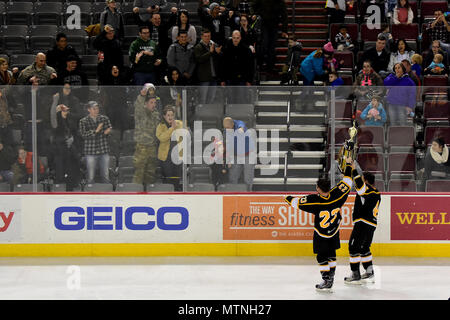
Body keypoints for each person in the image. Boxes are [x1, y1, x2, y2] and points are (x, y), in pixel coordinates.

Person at [284, 157, 354, 291]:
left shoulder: (314, 200)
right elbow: (347, 181)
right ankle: (331, 275)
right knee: (332, 254)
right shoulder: (337, 194)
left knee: (321, 256)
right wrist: (350, 164)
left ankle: (326, 280)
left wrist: (286, 198)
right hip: (334, 230)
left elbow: (295, 203)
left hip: (321, 234)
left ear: (318, 188)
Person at [344, 169, 381, 284]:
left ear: (365, 180)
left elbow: (360, 187)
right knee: (364, 248)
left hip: (363, 223)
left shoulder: (367, 190)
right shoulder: (376, 192)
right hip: (371, 224)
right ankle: (369, 271)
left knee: (353, 247)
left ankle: (355, 274)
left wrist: (353, 170)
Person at [50, 95, 81, 190]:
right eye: (64, 110)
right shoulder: (56, 123)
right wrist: (55, 101)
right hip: (60, 152)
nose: (66, 112)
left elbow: (72, 133)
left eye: (67, 110)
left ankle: (70, 189)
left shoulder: (68, 121)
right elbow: (52, 115)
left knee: (71, 172)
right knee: (60, 173)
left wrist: (71, 138)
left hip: (69, 152)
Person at [79, 101, 112, 184]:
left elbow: (109, 132)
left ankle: (106, 193)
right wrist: (96, 131)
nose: (96, 110)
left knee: (105, 175)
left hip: (103, 150)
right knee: (90, 176)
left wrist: (106, 133)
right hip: (90, 152)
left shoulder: (104, 119)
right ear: (88, 109)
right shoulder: (83, 121)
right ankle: (90, 193)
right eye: (94, 109)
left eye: (97, 108)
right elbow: (84, 135)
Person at [133, 87, 161, 185]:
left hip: (152, 146)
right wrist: (142, 96)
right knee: (139, 172)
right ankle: (136, 194)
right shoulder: (141, 113)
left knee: (151, 172)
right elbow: (138, 106)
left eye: (155, 103)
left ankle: (149, 194)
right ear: (145, 104)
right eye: (151, 102)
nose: (153, 105)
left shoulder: (156, 115)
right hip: (142, 146)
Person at [251, 0, 288, 71]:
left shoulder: (280, 1)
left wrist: (284, 30)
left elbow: (284, 15)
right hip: (264, 24)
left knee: (272, 46)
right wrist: (255, 13)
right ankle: (260, 64)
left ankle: (270, 66)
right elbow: (254, 5)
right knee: (264, 44)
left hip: (274, 24)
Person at [220, 30, 254, 103]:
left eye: (237, 38)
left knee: (241, 99)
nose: (235, 40)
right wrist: (222, 79)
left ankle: (240, 114)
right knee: (230, 99)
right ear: (231, 38)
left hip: (242, 79)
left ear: (240, 38)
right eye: (234, 38)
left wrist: (249, 80)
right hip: (229, 79)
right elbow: (222, 65)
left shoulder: (246, 50)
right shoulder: (226, 49)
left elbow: (250, 66)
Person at [223, 116, 256, 191]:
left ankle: (248, 193)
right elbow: (228, 144)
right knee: (232, 177)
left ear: (232, 124)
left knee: (248, 178)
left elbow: (242, 125)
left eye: (228, 127)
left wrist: (241, 129)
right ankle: (233, 194)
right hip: (236, 155)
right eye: (225, 128)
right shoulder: (226, 131)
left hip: (248, 154)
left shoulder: (239, 123)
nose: (227, 129)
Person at [156, 105, 183, 191]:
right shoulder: (161, 126)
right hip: (166, 157)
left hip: (177, 155)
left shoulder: (179, 124)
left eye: (172, 115)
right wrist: (172, 129)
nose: (170, 117)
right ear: (164, 116)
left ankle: (176, 193)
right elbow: (162, 138)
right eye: (168, 115)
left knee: (177, 177)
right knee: (168, 178)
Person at [193, 29, 221, 104]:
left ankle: (209, 113)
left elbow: (218, 59)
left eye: (209, 36)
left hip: (213, 76)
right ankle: (202, 114)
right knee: (203, 99)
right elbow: (199, 59)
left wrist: (217, 52)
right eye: (205, 36)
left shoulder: (213, 45)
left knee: (211, 99)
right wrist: (210, 52)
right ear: (201, 37)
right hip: (204, 78)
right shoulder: (198, 47)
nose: (207, 38)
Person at [101, 66, 130, 131]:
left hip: (121, 104)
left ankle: (125, 133)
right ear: (110, 71)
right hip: (111, 104)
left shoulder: (122, 79)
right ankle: (112, 134)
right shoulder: (107, 80)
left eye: (117, 68)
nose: (115, 70)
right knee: (110, 115)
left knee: (124, 117)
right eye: (113, 69)